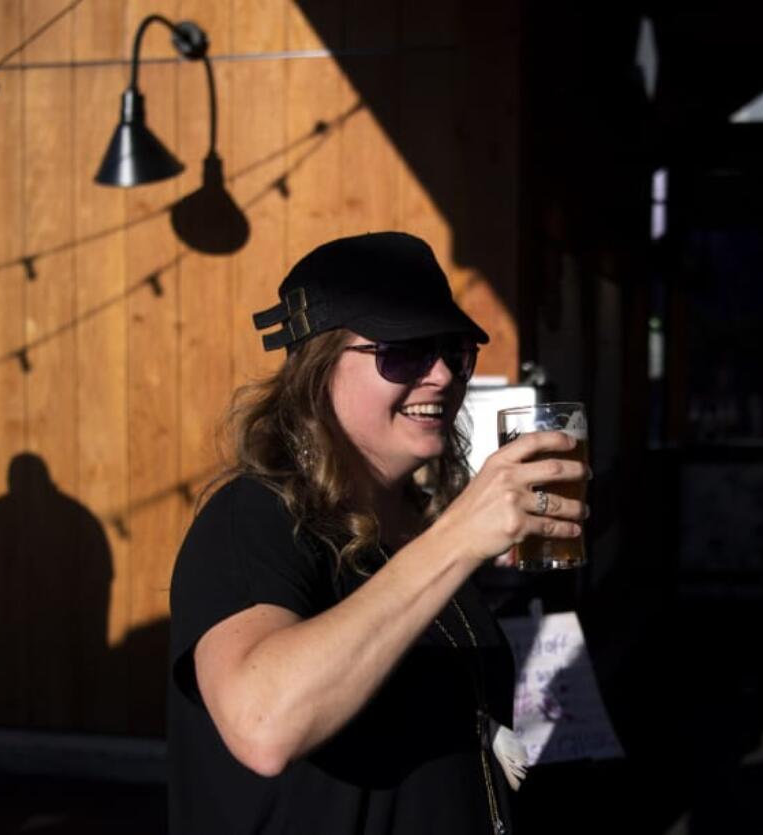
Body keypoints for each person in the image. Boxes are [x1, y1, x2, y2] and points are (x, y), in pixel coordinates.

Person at [167, 232, 588, 834]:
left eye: (455, 350)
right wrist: (460, 539)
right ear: (316, 369)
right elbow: (263, 724)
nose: (442, 375)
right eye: (404, 352)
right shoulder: (254, 517)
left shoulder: (412, 522)